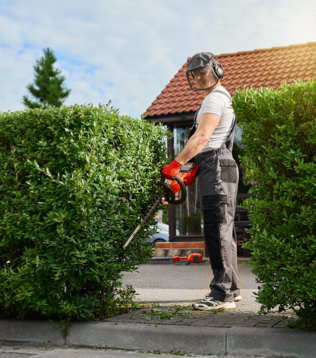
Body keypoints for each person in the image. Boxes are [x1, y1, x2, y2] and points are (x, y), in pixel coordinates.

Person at [161, 52, 241, 310]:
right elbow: (212, 141)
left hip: (216, 166)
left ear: (216, 71)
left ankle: (221, 295)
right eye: (193, 74)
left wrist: (176, 165)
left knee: (216, 228)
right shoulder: (220, 98)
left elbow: (203, 137)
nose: (196, 78)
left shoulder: (214, 100)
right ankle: (232, 289)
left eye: (201, 72)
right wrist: (192, 170)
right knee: (224, 229)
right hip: (220, 164)